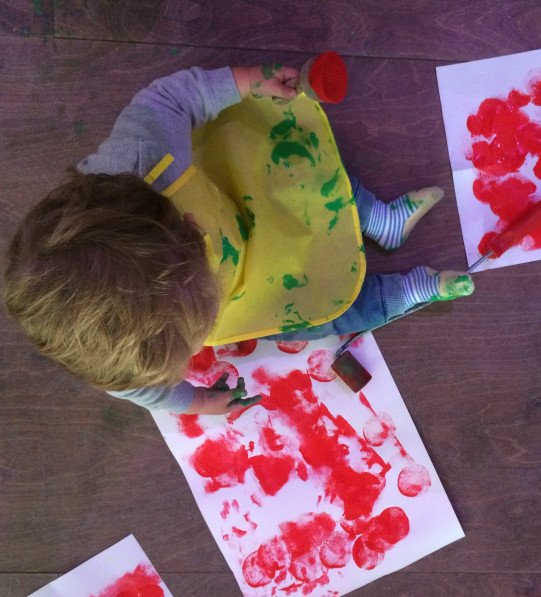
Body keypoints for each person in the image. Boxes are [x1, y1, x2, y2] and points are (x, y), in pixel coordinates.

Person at [3, 63, 474, 415]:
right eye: (194, 341)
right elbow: (152, 393)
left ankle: (380, 221)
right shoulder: (119, 362)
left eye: (198, 317)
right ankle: (399, 294)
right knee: (319, 315)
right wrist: (202, 402)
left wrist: (250, 81)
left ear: (188, 227)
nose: (196, 348)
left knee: (311, 180)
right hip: (249, 298)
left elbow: (172, 97)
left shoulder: (144, 152)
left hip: (241, 195)